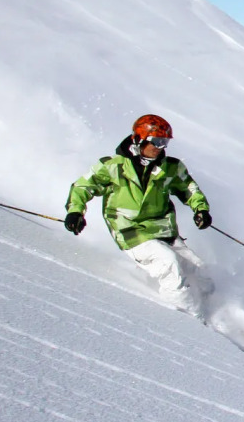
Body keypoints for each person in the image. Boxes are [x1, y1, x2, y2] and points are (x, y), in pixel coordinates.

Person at [64, 114, 213, 316]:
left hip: (163, 229)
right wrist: (75, 212)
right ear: (140, 139)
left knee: (200, 270)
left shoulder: (171, 167)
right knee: (169, 264)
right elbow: (82, 187)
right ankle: (189, 318)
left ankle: (215, 310)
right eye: (157, 141)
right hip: (130, 230)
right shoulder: (113, 166)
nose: (161, 147)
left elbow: (189, 189)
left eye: (165, 142)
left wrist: (201, 209)